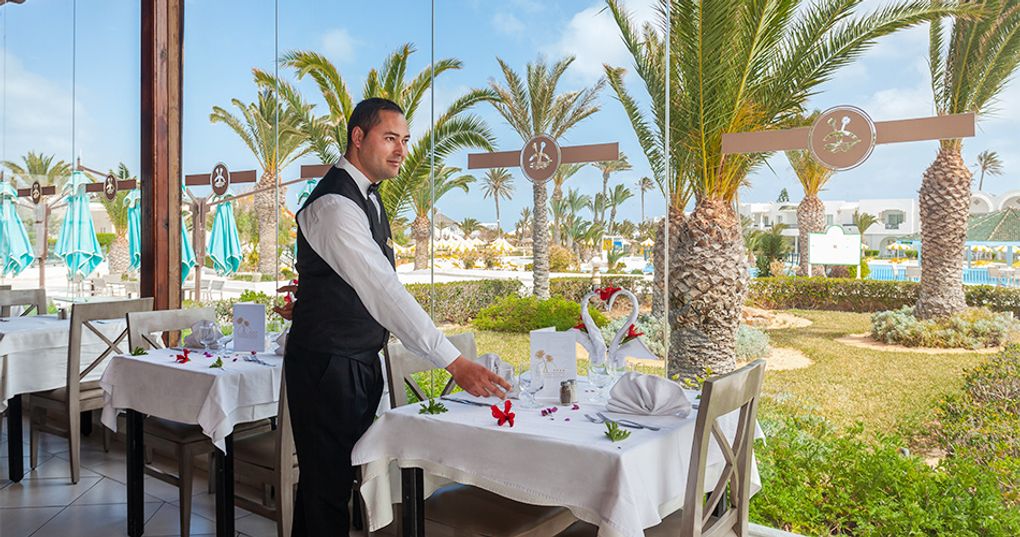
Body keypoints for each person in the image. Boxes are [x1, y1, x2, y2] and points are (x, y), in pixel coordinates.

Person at [282, 97, 511, 537]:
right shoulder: (335, 206)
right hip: (328, 366)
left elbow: (350, 281)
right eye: (390, 138)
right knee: (326, 489)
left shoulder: (366, 196)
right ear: (358, 137)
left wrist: (314, 298)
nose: (401, 150)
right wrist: (454, 361)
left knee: (330, 486)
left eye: (404, 140)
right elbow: (384, 290)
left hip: (354, 360)